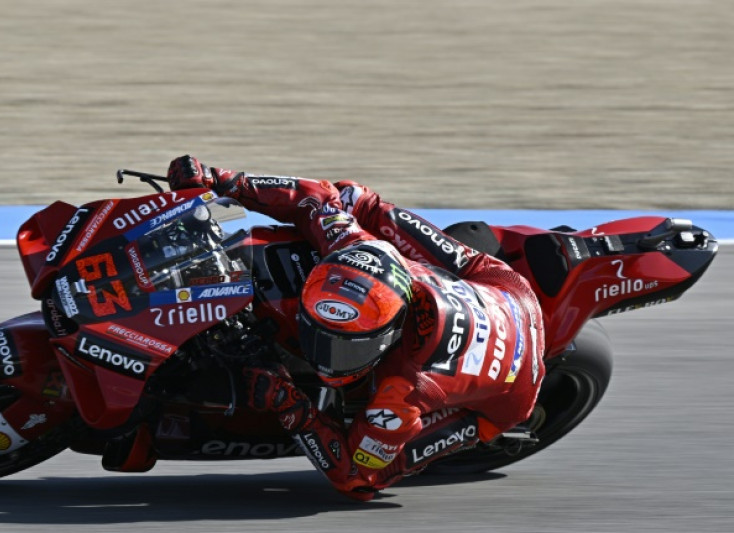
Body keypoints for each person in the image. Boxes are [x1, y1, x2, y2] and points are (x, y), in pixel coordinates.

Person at [166, 155, 546, 500]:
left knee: (380, 472)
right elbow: (316, 197)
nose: (321, 354)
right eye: (314, 331)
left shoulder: (404, 391)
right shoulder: (352, 245)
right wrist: (221, 180)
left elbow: (356, 477)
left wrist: (290, 402)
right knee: (357, 201)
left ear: (386, 338)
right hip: (497, 284)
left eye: (343, 347)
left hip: (512, 387)